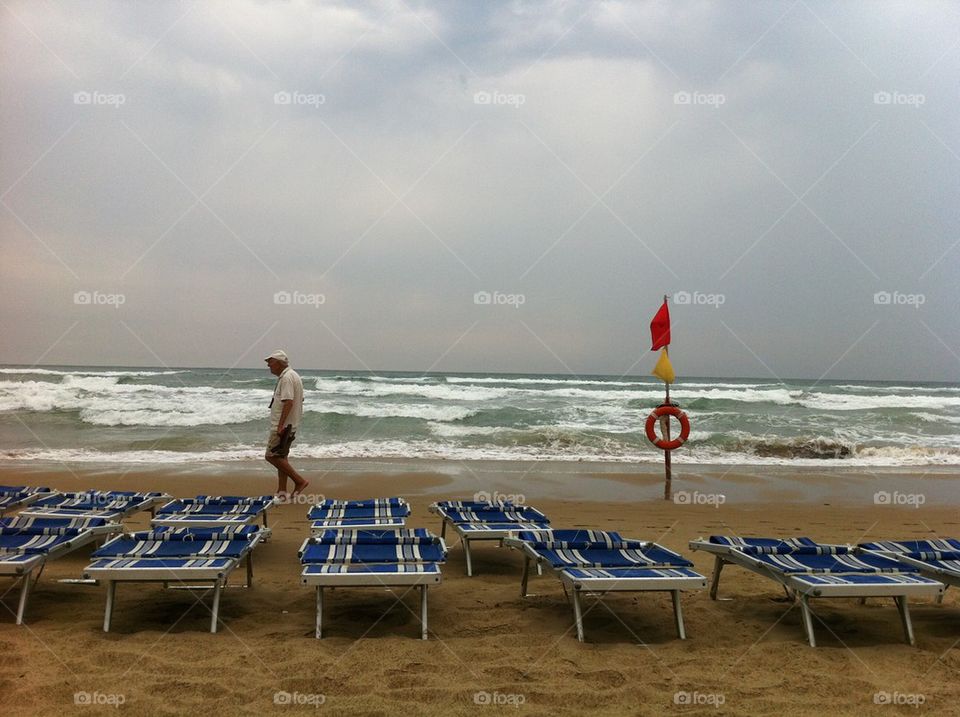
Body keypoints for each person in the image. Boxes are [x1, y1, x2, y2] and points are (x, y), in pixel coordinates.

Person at [263, 349, 309, 497]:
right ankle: (282, 491)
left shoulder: (287, 378)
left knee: (271, 456)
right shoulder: (293, 375)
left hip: (284, 425)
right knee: (281, 457)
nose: (269, 365)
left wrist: (280, 425)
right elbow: (300, 399)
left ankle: (299, 481)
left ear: (279, 363)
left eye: (271, 362)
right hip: (291, 425)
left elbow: (288, 401)